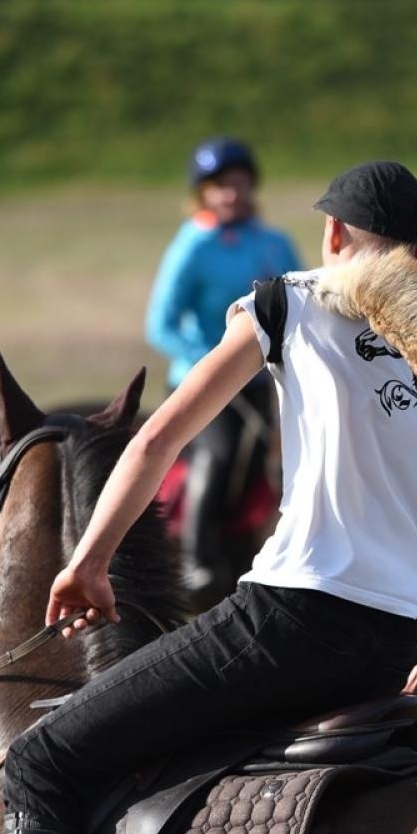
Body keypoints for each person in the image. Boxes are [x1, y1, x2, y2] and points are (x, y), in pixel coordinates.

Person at [0, 160, 417, 834]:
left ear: (335, 235)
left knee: (45, 760)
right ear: (415, 254)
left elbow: (157, 439)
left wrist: (85, 563)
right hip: (384, 651)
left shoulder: (288, 300)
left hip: (287, 621)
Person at [145, 137, 303, 605]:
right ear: (203, 193)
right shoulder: (191, 246)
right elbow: (161, 323)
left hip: (261, 382)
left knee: (271, 461)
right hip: (204, 383)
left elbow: (299, 299)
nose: (230, 194)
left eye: (238, 183)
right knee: (221, 451)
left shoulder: (274, 242)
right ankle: (198, 563)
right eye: (219, 186)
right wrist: (213, 361)